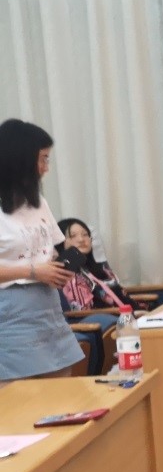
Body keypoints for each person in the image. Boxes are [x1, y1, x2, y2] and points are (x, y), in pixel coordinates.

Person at [0, 119, 79, 381]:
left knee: (61, 383)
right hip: (11, 313)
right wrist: (33, 271)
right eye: (43, 159)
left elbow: (51, 248)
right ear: (20, 159)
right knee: (23, 394)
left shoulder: (37, 202)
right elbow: (32, 265)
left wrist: (60, 266)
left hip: (47, 306)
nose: (46, 167)